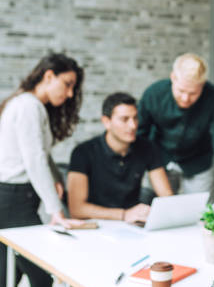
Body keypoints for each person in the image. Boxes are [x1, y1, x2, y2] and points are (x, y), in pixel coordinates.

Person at [0, 53, 85, 287]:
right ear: (48, 76)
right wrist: (56, 210)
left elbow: (42, 155)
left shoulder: (26, 104)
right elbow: (34, 160)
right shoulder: (29, 106)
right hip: (12, 204)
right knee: (41, 278)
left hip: (8, 201)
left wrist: (54, 178)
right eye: (67, 84)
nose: (70, 92)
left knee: (9, 278)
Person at [67, 92, 173, 223]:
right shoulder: (82, 152)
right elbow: (77, 209)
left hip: (131, 224)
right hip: (95, 224)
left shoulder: (147, 147)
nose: (133, 125)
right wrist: (123, 214)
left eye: (135, 118)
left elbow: (167, 196)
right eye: (125, 119)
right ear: (106, 122)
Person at [137, 53, 214, 195]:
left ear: (203, 84)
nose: (186, 98)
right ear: (173, 77)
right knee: (155, 206)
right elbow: (139, 135)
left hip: (199, 161)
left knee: (200, 212)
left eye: (193, 93)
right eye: (181, 91)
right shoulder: (154, 94)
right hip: (160, 158)